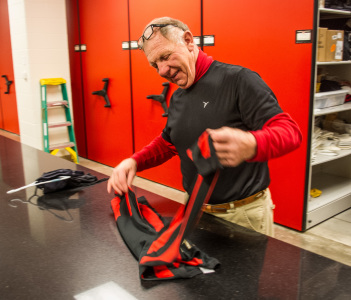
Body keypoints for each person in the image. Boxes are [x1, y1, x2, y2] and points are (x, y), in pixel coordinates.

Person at [107, 17, 302, 236]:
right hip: (194, 210)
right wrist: (134, 162)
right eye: (155, 65)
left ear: (189, 41)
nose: (161, 70)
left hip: (241, 216)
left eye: (165, 56)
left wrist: (252, 143)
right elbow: (169, 142)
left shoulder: (239, 80)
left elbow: (290, 132)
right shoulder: (178, 96)